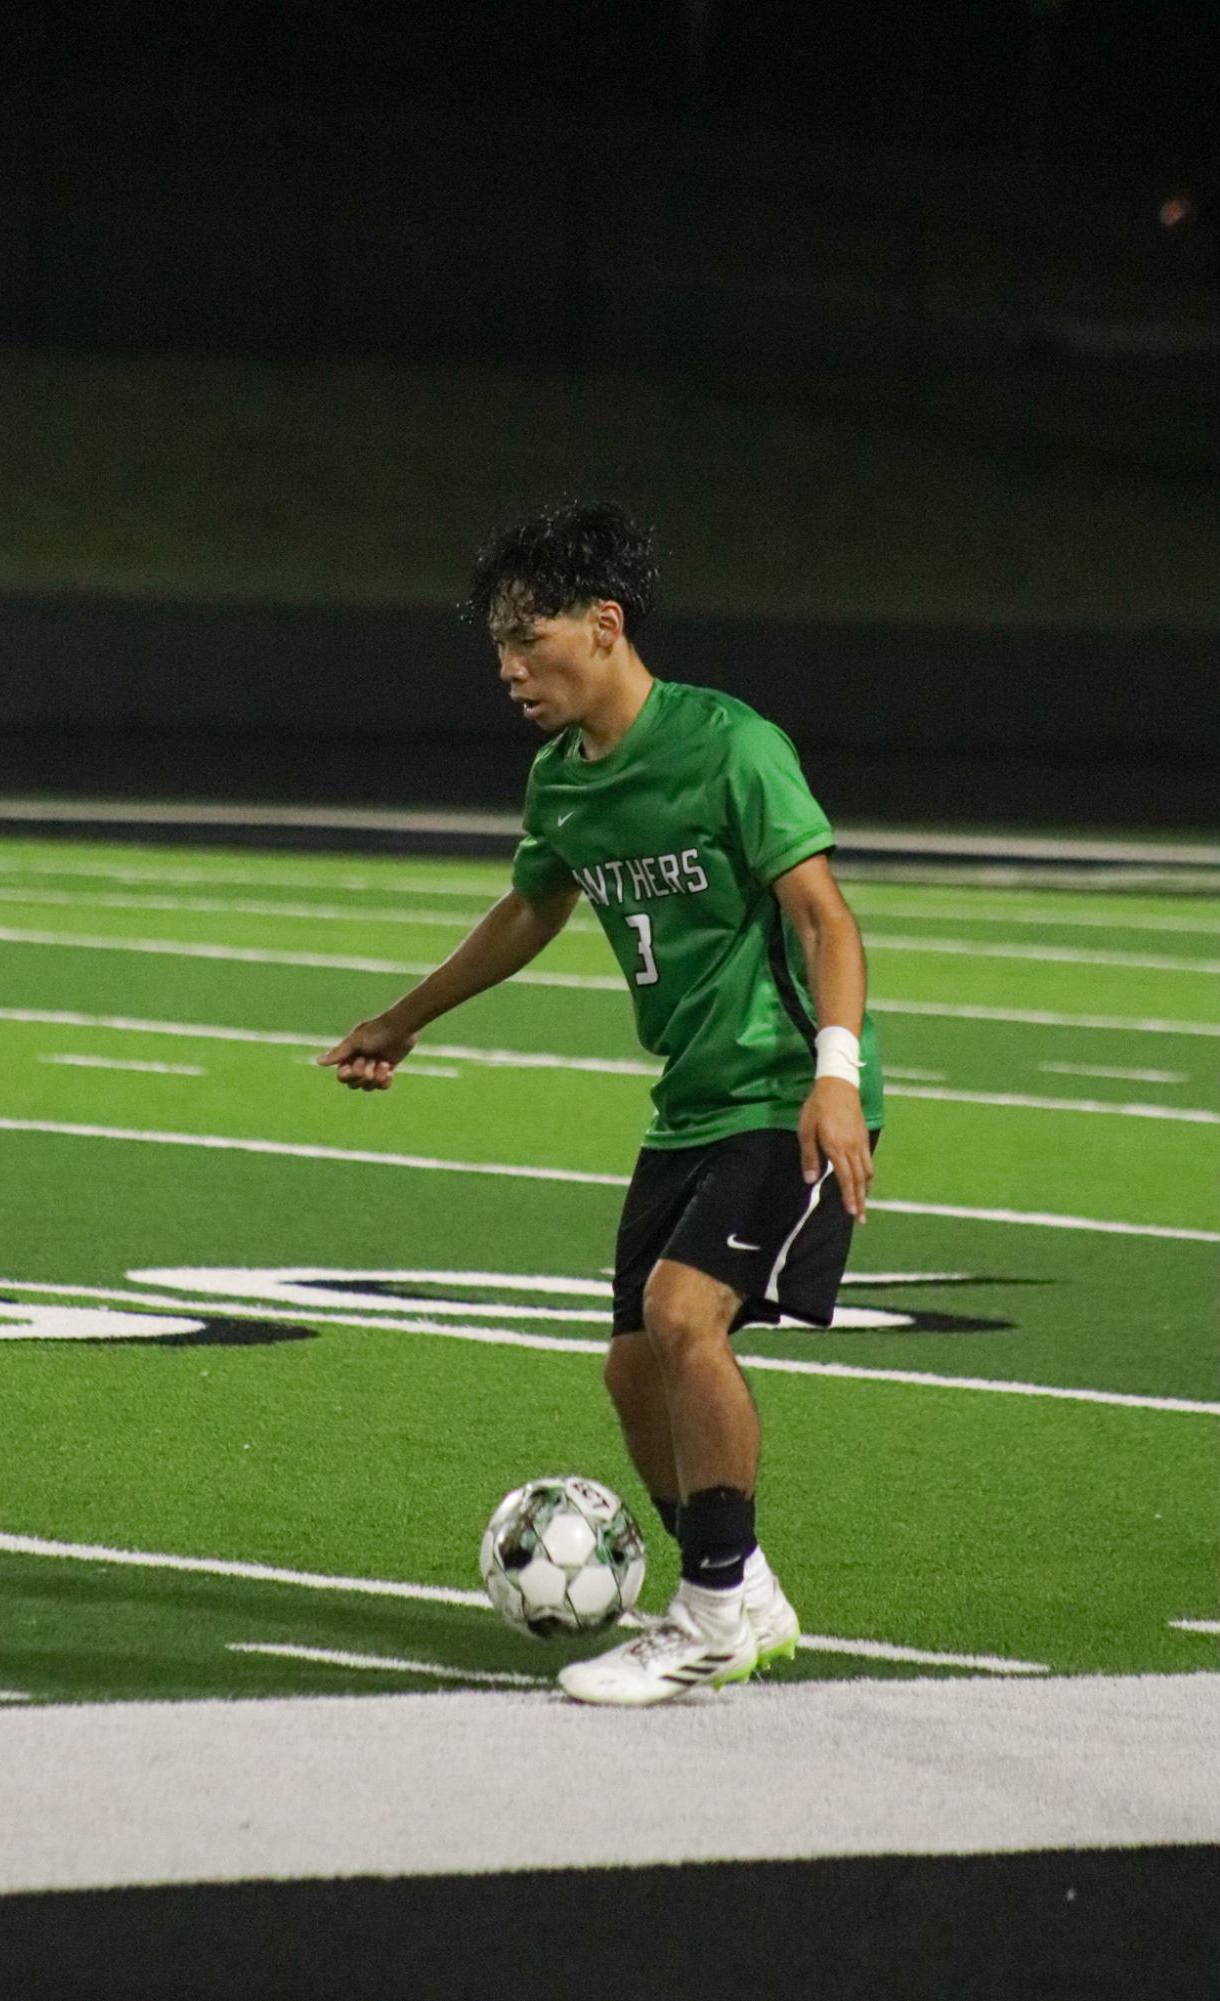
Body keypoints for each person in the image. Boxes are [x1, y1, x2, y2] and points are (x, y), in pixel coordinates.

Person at [320, 501, 884, 1707]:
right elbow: (530, 909)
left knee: (686, 1318)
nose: (511, 671)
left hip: (783, 1093)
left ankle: (714, 1615)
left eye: (529, 642)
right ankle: (743, 1589)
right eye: (497, 652)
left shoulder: (729, 746)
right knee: (633, 1373)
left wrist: (834, 1080)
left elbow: (825, 918)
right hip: (686, 1102)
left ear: (605, 625)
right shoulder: (560, 785)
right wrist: (403, 1018)